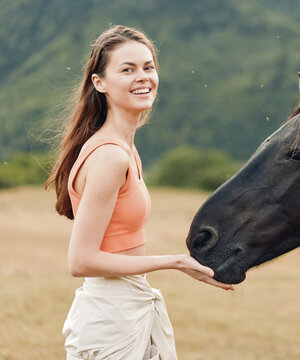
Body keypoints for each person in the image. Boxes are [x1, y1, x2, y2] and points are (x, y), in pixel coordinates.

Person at [45, 25, 233, 360]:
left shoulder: (125, 149)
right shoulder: (111, 156)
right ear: (99, 82)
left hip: (123, 307)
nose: (143, 77)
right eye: (128, 69)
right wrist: (175, 261)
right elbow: (81, 260)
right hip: (111, 318)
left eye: (148, 67)